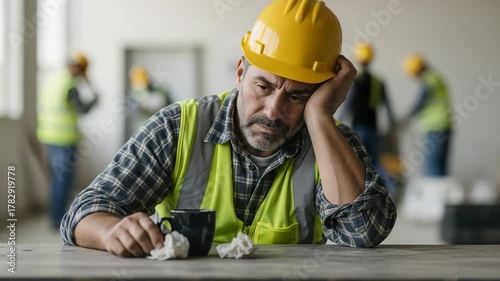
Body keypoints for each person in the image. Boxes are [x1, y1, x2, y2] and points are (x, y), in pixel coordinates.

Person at [61, 0, 397, 257]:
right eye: (263, 87)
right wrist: (110, 232)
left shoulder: (332, 142)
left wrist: (321, 117)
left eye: (297, 96)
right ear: (240, 72)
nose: (273, 110)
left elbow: (364, 232)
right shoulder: (178, 128)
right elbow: (82, 213)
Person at [37, 52, 99, 228]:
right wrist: (93, 93)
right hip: (63, 138)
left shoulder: (54, 79)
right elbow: (83, 109)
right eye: (83, 71)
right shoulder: (70, 84)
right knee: (63, 180)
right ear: (78, 68)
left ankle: (56, 217)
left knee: (57, 179)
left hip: (48, 135)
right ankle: (59, 219)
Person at [339, 43, 396, 183]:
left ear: (358, 59)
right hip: (373, 128)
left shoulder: (354, 81)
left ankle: (362, 191)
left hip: (358, 128)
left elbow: (347, 105)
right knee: (375, 162)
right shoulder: (378, 81)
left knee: (359, 161)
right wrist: (392, 126)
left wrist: (337, 121)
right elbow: (387, 106)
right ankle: (385, 191)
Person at [401, 54, 453, 176]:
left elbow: (421, 101)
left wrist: (405, 118)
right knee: (439, 164)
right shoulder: (435, 77)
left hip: (436, 126)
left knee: (432, 165)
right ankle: (440, 192)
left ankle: (436, 192)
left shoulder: (429, 80)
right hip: (443, 125)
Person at [127, 65, 171, 137]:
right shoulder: (135, 93)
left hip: (161, 127)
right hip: (142, 129)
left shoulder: (161, 89)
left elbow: (169, 106)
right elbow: (134, 111)